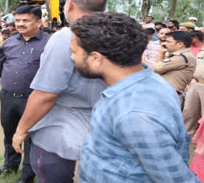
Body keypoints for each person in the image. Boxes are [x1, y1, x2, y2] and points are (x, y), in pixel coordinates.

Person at [69, 12, 198, 182]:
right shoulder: (140, 83)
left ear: (96, 58)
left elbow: (176, 179)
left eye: (74, 52)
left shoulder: (134, 112)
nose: (72, 57)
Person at [12, 0, 108, 182]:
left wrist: (21, 129)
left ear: (70, 4)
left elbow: (46, 93)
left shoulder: (66, 37)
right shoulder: (116, 34)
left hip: (62, 125)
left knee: (52, 175)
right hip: (105, 123)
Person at [0, 5, 50, 183]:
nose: (20, 24)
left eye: (26, 20)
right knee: (9, 134)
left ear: (39, 22)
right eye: (18, 20)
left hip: (34, 100)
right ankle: (9, 167)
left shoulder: (50, 44)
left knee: (30, 138)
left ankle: (27, 176)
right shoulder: (9, 42)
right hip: (7, 97)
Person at [149, 31, 196, 104]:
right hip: (166, 93)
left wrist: (140, 60)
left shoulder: (182, 57)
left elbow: (154, 69)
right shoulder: (181, 55)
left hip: (169, 95)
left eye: (168, 42)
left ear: (180, 44)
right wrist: (161, 53)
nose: (164, 44)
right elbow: (158, 69)